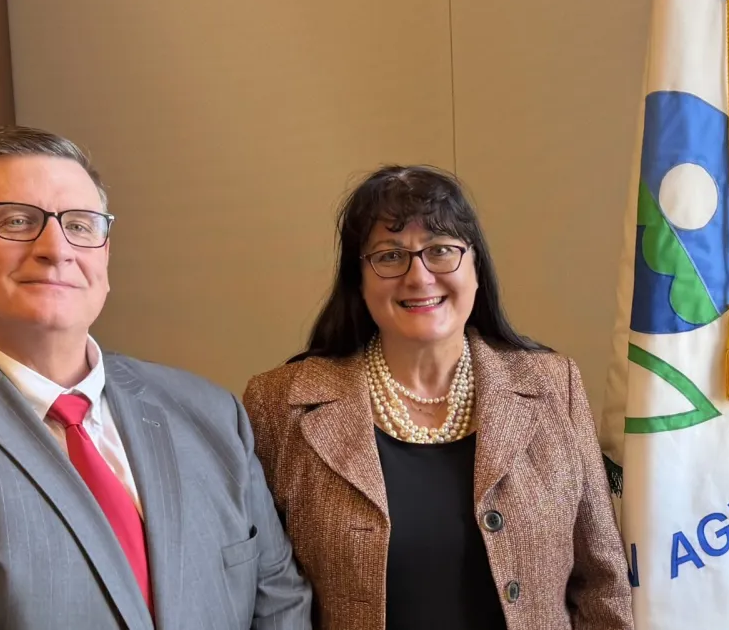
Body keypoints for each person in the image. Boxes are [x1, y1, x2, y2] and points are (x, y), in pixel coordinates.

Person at [0, 126, 312, 629]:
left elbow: (280, 604)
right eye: (17, 220)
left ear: (105, 253)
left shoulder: (211, 414)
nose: (55, 248)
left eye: (81, 225)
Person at [243, 165, 633, 630]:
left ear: (475, 268)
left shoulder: (551, 385)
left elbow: (603, 583)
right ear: (358, 279)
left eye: (442, 251)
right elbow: (261, 597)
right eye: (389, 256)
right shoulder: (281, 405)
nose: (419, 276)